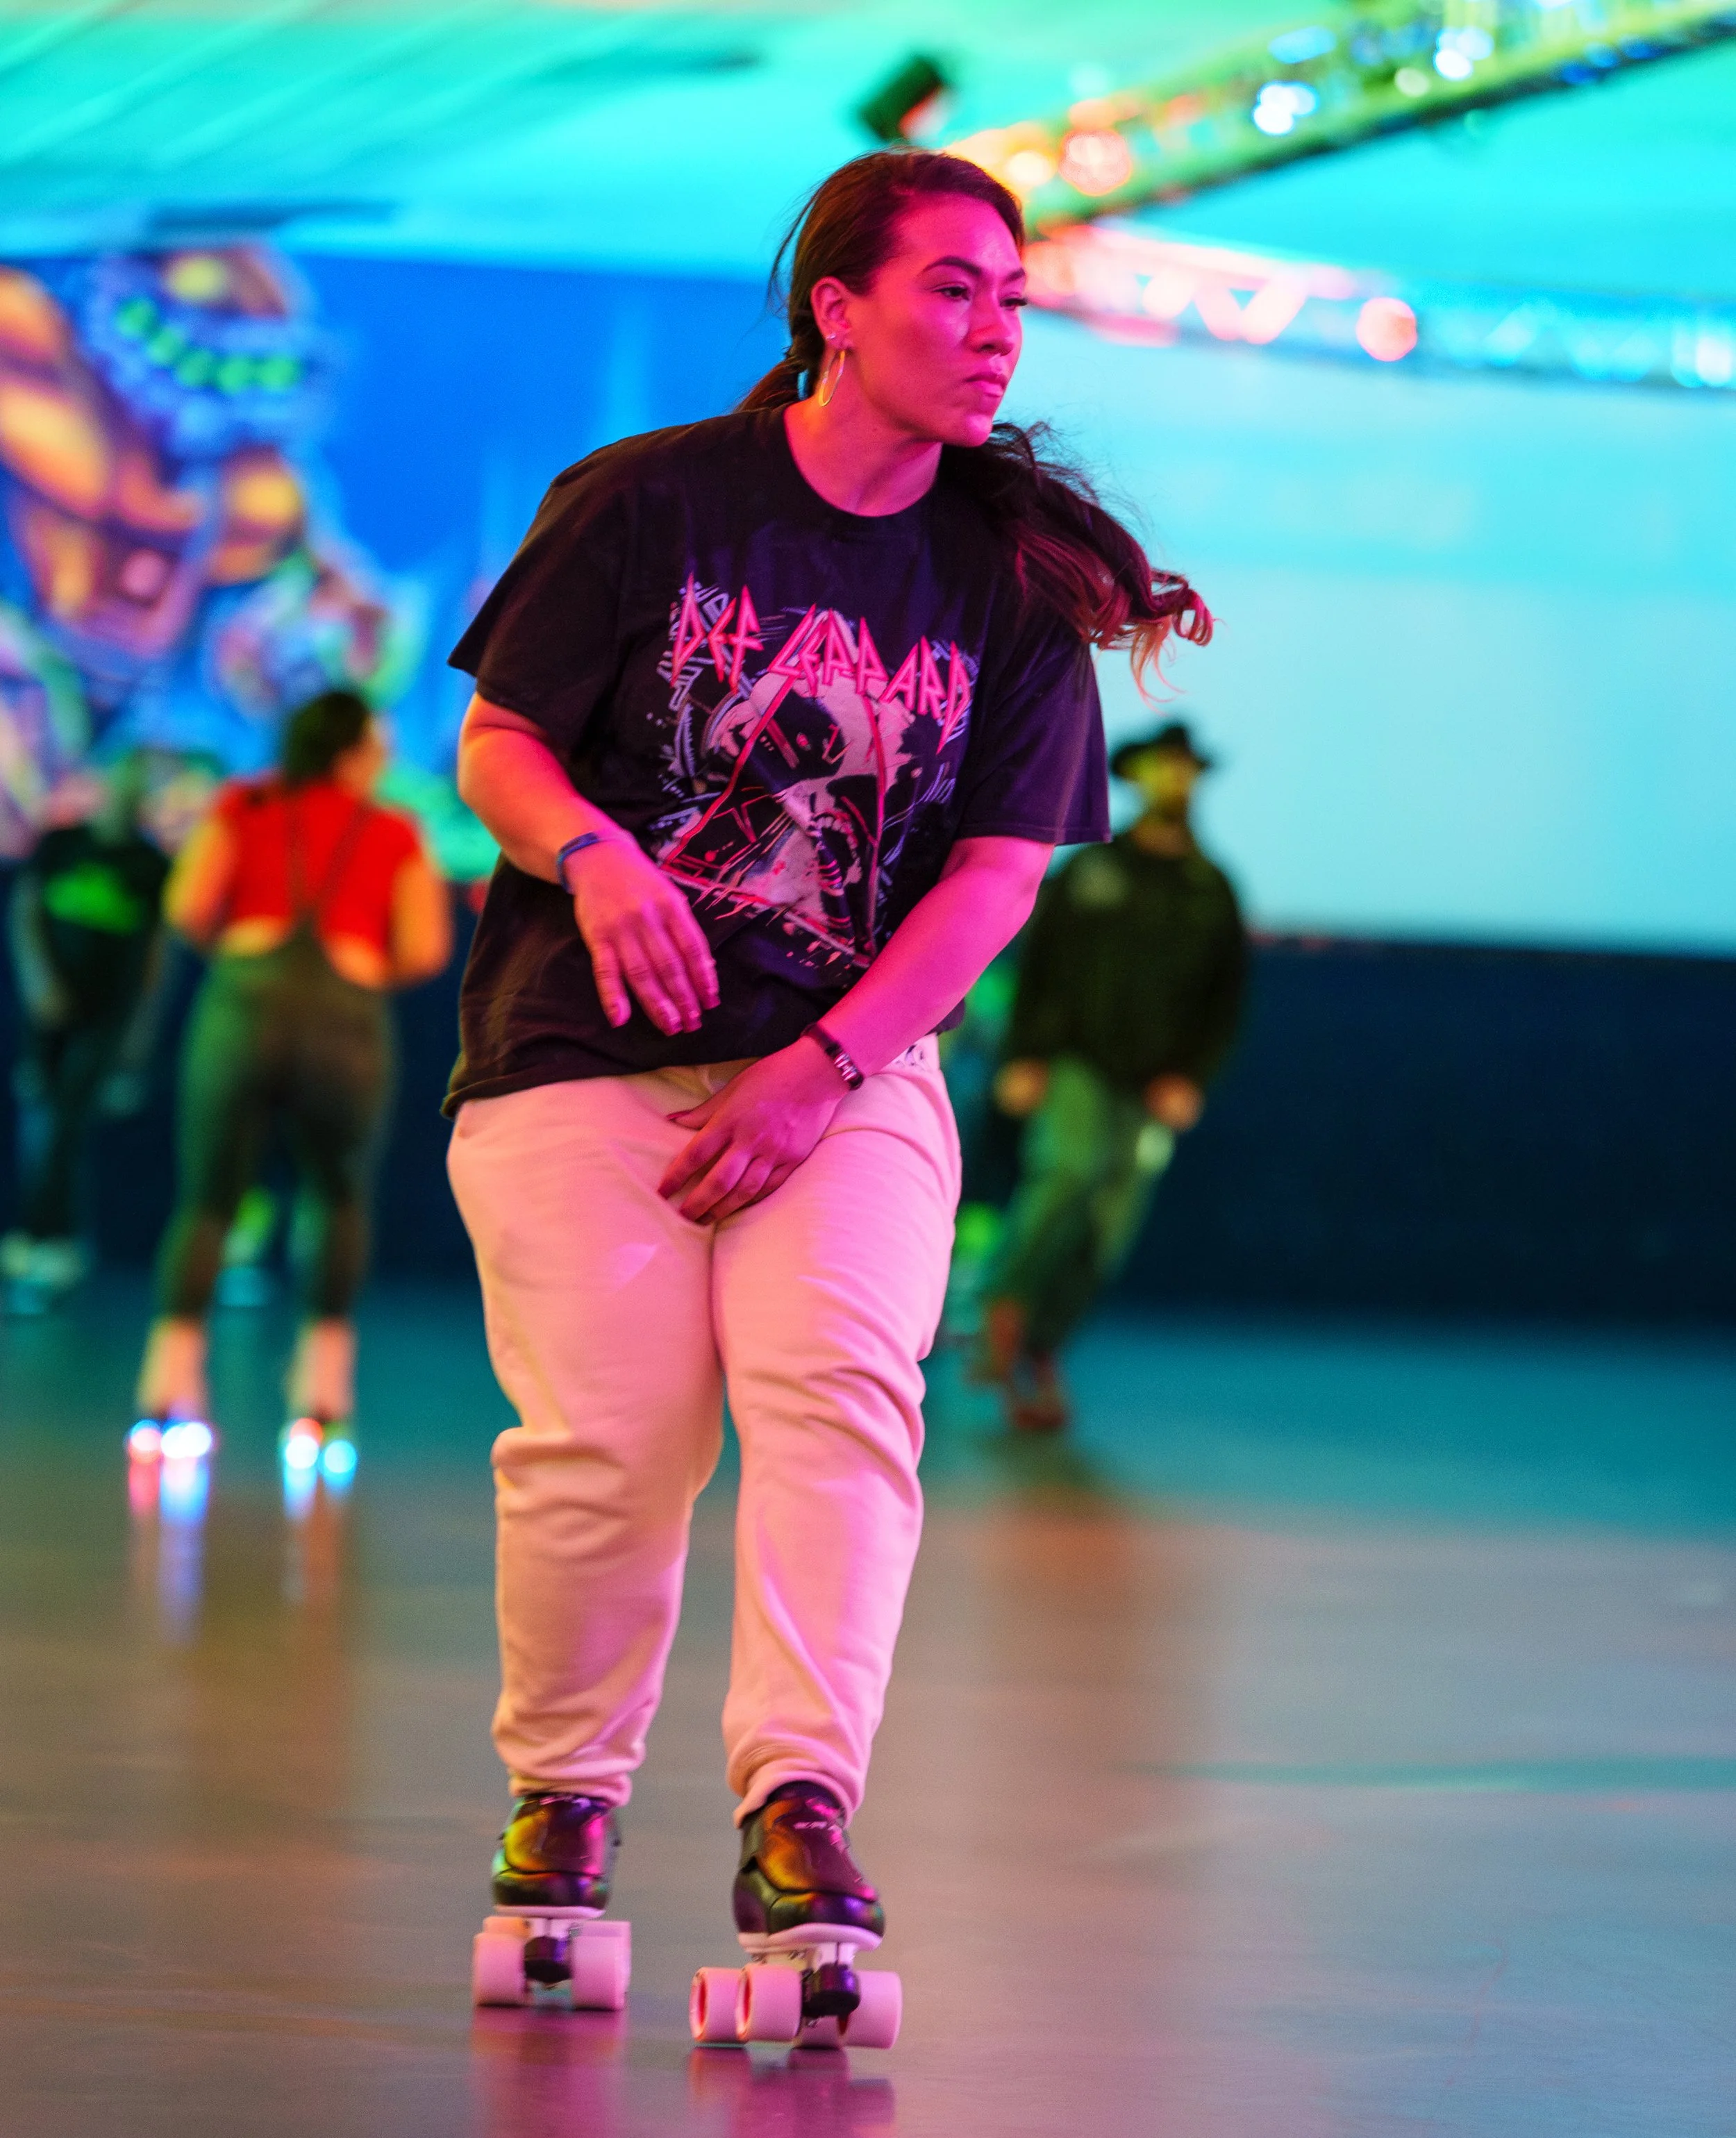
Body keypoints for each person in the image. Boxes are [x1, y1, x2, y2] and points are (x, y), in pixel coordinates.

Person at [442, 147, 1210, 1971]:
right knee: (611, 1444)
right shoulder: (646, 503)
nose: (993, 328)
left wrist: (829, 1060)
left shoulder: (1003, 577)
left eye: (1014, 297)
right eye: (953, 288)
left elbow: (996, 875)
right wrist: (597, 852)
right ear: (835, 309)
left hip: (849, 1075)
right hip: (582, 1053)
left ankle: (798, 1809)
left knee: (838, 1392)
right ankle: (564, 1795)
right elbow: (496, 745)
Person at [134, 690, 451, 1439]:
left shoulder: (244, 805)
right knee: (339, 1197)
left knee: (209, 1199)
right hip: (346, 1020)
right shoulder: (394, 831)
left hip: (242, 1004)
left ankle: (168, 1388)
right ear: (351, 753)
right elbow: (424, 948)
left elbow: (187, 907)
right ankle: (323, 1398)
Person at [974, 719, 1247, 1432]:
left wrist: (1191, 1076)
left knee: (1110, 1224)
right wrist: (1024, 1057)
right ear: (1137, 776)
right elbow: (1036, 968)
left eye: (1184, 769)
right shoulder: (1090, 871)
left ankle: (1041, 1347)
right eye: (1161, 767)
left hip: (1152, 1085)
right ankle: (1003, 1309)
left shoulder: (1211, 890)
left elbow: (1226, 1000)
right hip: (1076, 1065)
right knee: (1066, 1173)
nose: (1172, 780)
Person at [3, 753, 169, 1314]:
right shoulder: (61, 843)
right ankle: (55, 1238)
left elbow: (156, 952)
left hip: (108, 1017)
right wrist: (39, 982)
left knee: (67, 1121)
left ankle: (43, 1242)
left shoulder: (150, 864)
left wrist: (138, 1032)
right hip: (49, 1014)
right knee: (41, 1118)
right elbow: (24, 912)